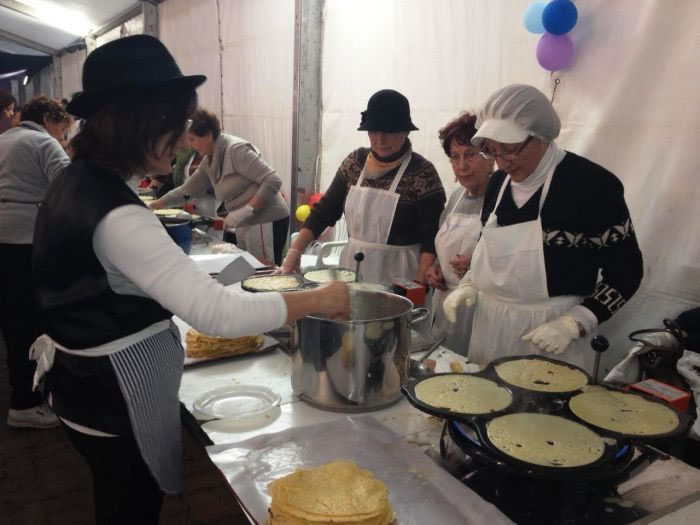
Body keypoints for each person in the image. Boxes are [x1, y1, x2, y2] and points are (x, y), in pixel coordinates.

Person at [30, 35, 350, 524]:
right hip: (113, 397)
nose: (182, 141)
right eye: (174, 125)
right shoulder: (115, 212)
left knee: (118, 500)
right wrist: (318, 299)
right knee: (130, 506)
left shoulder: (78, 182)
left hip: (83, 390)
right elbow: (218, 313)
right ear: (138, 121)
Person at [444, 84, 643, 372]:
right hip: (490, 327)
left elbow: (628, 272)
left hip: (550, 335)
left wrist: (577, 321)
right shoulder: (499, 184)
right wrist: (470, 283)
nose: (502, 162)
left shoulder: (592, 186)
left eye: (510, 150)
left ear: (541, 136)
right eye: (493, 151)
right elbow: (489, 251)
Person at [279, 89, 446, 284]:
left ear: (406, 131)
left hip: (401, 275)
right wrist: (294, 251)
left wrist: (419, 286)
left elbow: (431, 236)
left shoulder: (423, 173)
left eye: (389, 132)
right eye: (374, 132)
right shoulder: (355, 163)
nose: (380, 140)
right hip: (352, 268)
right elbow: (323, 212)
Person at [0, 95, 71, 428]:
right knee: (34, 320)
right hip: (26, 241)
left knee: (13, 321)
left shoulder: (5, 140)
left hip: (3, 241)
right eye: (61, 130)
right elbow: (71, 189)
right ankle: (28, 403)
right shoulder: (43, 143)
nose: (62, 138)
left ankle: (26, 395)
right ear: (47, 120)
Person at [150, 108, 290, 265]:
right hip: (244, 221)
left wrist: (247, 210)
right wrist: (155, 205)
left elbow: (272, 180)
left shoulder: (236, 150)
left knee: (263, 268)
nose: (189, 145)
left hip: (265, 219)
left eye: (193, 139)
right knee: (249, 266)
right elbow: (187, 192)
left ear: (209, 135)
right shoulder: (209, 161)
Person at [425, 113, 493, 355]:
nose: (462, 166)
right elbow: (440, 249)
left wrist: (476, 266)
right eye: (455, 157)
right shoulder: (455, 198)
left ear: (491, 156)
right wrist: (435, 269)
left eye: (470, 155)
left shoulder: (502, 199)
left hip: (479, 308)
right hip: (444, 302)